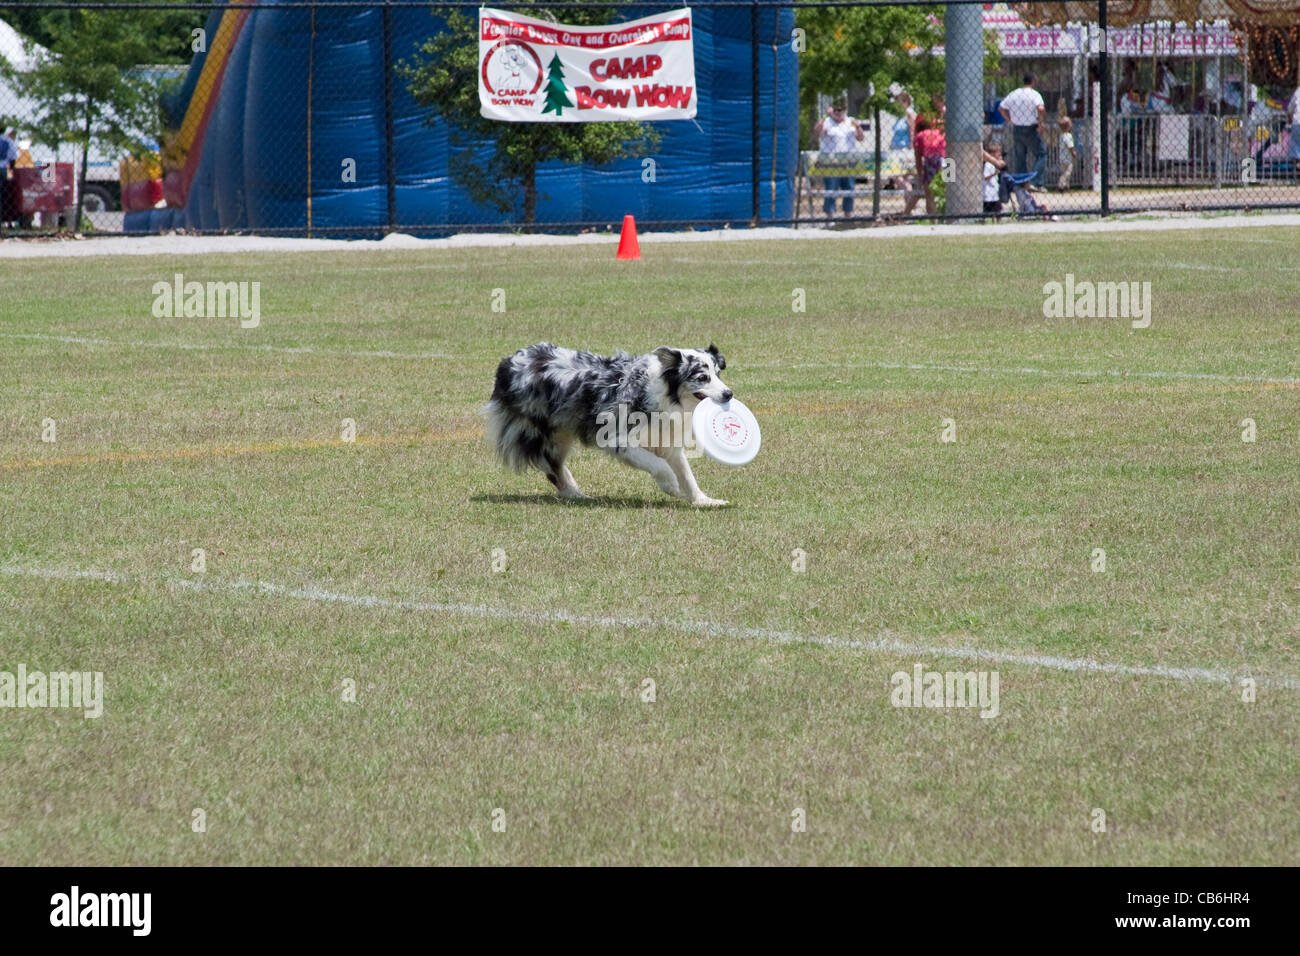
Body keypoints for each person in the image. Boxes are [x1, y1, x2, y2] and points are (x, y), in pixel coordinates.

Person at [813, 98, 866, 218]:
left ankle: (848, 214)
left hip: (848, 161)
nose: (838, 112)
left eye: (840, 110)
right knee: (831, 188)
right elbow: (816, 133)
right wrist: (824, 117)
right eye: (835, 110)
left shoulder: (851, 121)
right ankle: (830, 215)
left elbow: (861, 138)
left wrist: (858, 127)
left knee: (849, 188)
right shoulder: (827, 121)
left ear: (845, 110)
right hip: (831, 161)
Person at [999, 73, 1047, 186]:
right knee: (1041, 154)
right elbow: (1040, 108)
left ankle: (1021, 183)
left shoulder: (1014, 93)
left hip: (1017, 127)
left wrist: (1010, 119)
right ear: (1033, 81)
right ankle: (1034, 180)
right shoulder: (1034, 94)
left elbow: (1001, 108)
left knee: (1020, 157)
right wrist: (1041, 123)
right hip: (1031, 128)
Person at [902, 115, 945, 216]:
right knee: (948, 189)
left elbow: (918, 160)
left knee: (928, 194)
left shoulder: (919, 136)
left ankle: (932, 218)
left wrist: (920, 175)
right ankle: (947, 216)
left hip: (932, 161)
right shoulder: (939, 132)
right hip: (948, 160)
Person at [983, 141, 1004, 217]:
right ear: (991, 154)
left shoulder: (995, 164)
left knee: (998, 211)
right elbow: (985, 177)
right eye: (998, 153)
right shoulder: (988, 164)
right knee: (989, 211)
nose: (1000, 155)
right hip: (988, 194)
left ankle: (996, 221)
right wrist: (994, 173)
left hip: (994, 193)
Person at [1057, 116, 1077, 190]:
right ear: (1068, 126)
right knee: (1068, 172)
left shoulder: (1061, 135)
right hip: (1068, 158)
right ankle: (1061, 183)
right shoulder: (1068, 135)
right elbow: (1070, 146)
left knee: (1064, 172)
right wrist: (1073, 152)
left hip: (1061, 157)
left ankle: (1066, 186)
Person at [1289, 82, 1300, 163]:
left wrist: (1289, 120)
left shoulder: (1298, 91)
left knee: (1296, 145)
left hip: (1297, 122)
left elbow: (1290, 108)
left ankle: (1298, 162)